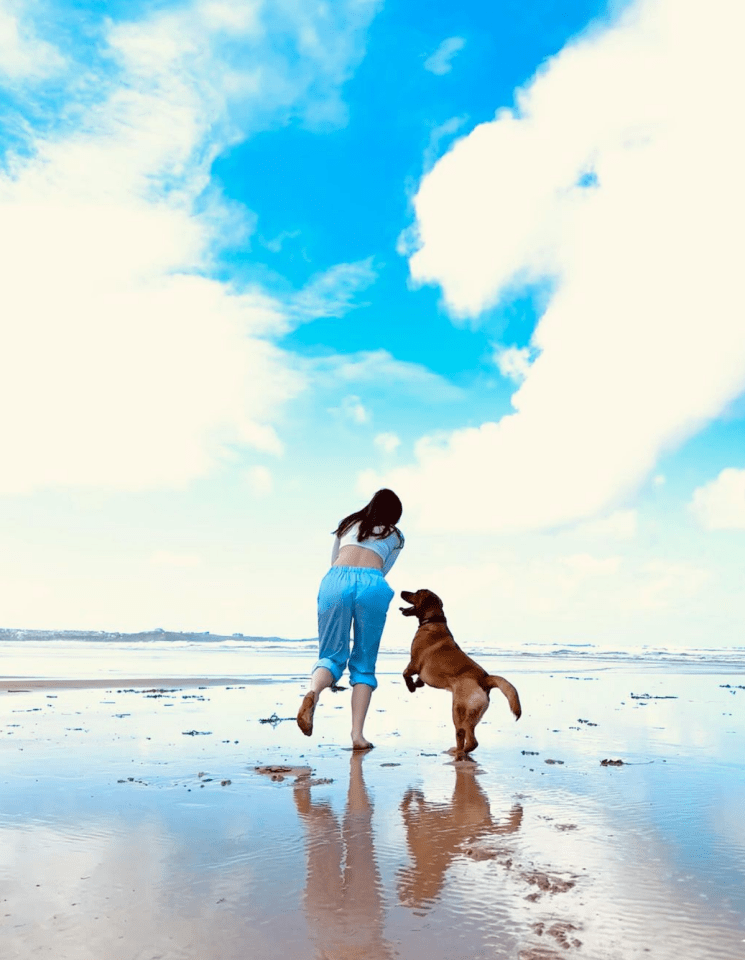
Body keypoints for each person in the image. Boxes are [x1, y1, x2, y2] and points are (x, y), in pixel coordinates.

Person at [297, 488, 404, 750]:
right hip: (371, 584)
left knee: (331, 655)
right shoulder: (396, 535)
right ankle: (357, 736)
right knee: (364, 663)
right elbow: (383, 568)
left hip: (335, 581)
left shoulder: (347, 525)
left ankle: (313, 693)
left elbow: (334, 559)